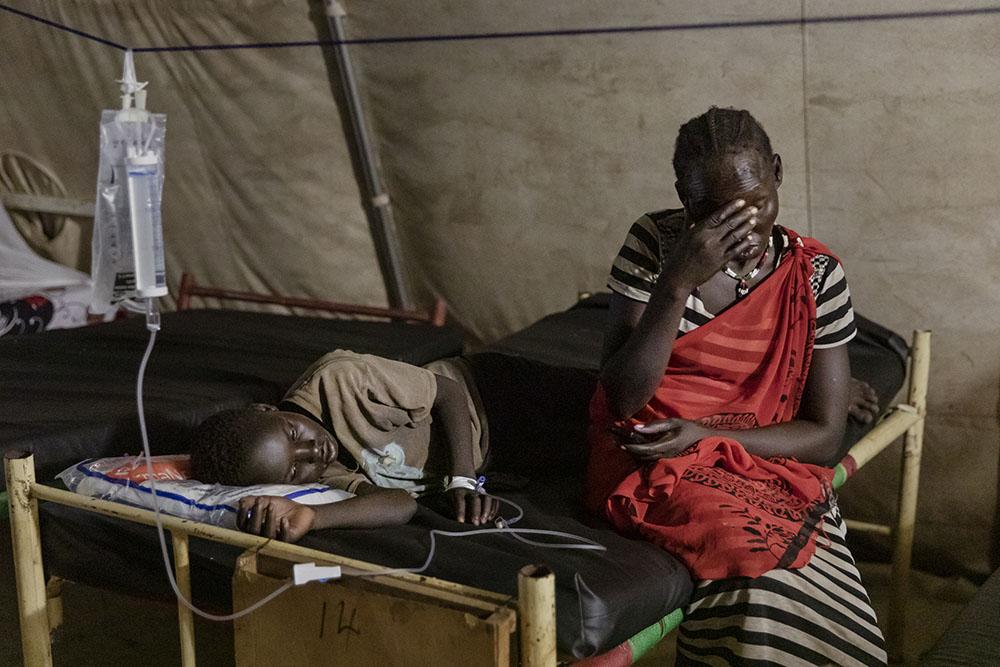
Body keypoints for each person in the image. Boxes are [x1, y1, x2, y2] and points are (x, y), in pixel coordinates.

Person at [588, 107, 887, 665]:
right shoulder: (655, 244)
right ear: (683, 196)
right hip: (653, 458)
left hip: (750, 457)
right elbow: (622, 400)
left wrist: (703, 434)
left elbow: (823, 436)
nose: (738, 229)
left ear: (776, 170)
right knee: (749, 569)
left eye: (754, 206)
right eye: (710, 213)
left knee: (815, 571)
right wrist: (677, 282)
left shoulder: (816, 275)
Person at [189, 351, 499, 543]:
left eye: (294, 432)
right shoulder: (323, 477)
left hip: (490, 394)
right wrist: (312, 516)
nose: (313, 451)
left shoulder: (338, 379)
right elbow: (401, 503)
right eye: (295, 468)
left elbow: (449, 392)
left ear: (267, 409)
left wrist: (463, 480)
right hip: (493, 457)